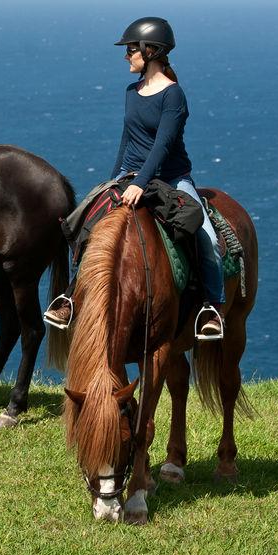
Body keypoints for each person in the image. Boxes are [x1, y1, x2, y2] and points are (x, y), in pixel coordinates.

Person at [44, 17, 225, 339]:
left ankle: (212, 308)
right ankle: (71, 297)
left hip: (171, 179)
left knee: (207, 237)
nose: (126, 56)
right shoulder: (132, 91)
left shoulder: (173, 96)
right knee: (85, 225)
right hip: (129, 176)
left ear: (151, 51)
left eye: (131, 50)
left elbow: (163, 144)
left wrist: (141, 183)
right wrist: (112, 183)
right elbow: (127, 141)